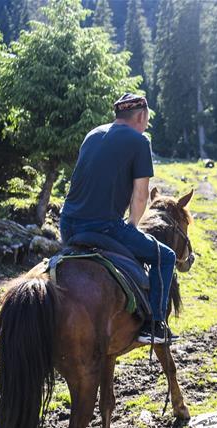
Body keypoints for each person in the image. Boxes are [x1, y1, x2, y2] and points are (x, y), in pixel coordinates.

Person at [59, 93, 177, 345]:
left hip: (68, 224)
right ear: (142, 116)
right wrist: (132, 226)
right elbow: (141, 195)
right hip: (104, 228)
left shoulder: (92, 135)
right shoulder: (139, 141)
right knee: (165, 257)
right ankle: (153, 324)